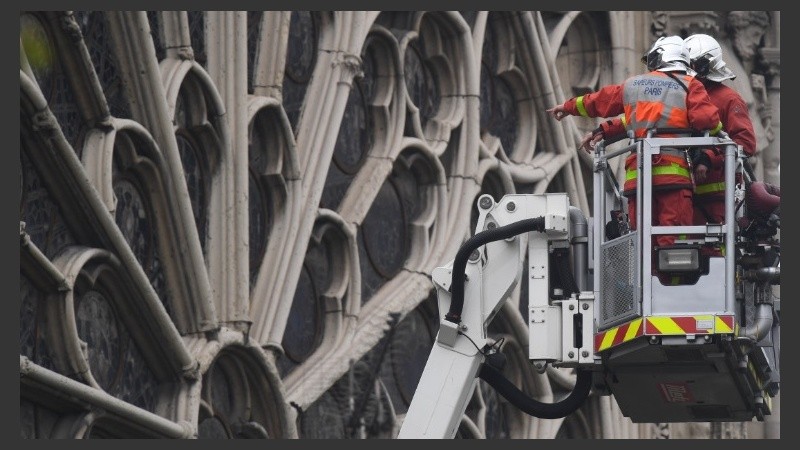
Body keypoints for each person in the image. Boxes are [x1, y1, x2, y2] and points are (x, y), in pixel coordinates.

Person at [547, 36, 723, 253]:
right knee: (674, 241)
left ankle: (647, 282)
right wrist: (714, 132)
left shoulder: (633, 85)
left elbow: (600, 101)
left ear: (657, 58)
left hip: (638, 177)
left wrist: (568, 107)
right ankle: (671, 285)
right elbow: (707, 121)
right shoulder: (690, 85)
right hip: (674, 177)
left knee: (642, 244)